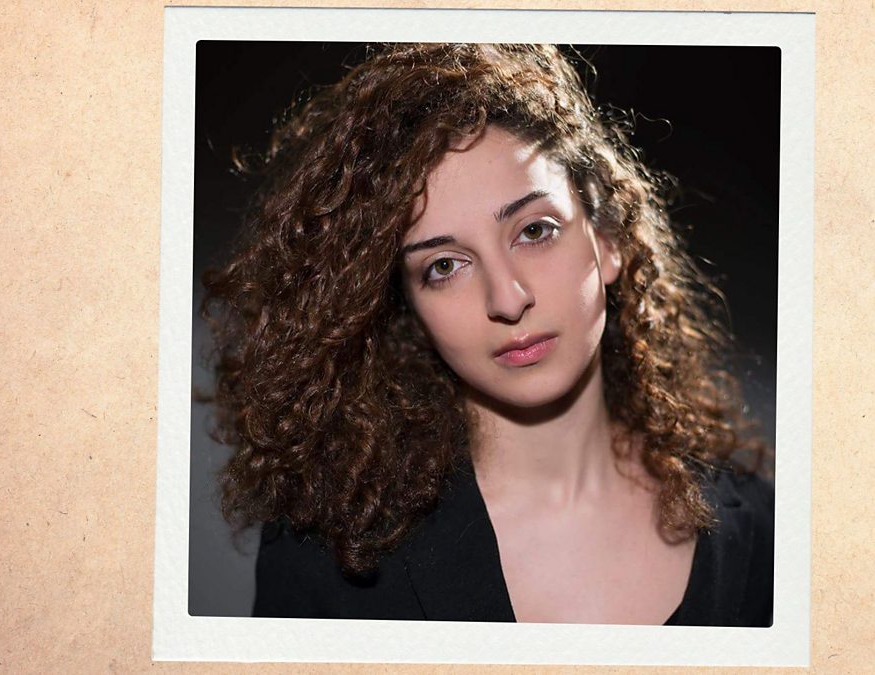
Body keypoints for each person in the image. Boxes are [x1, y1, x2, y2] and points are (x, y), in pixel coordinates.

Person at [201, 43, 773, 626]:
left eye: (535, 231)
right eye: (445, 266)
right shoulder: (329, 557)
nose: (507, 299)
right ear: (406, 308)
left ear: (608, 240)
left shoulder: (763, 537)